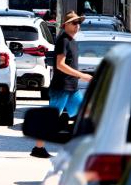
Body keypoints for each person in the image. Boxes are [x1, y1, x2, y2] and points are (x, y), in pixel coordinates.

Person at [32, 12, 92, 158]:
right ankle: (38, 149)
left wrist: (80, 75)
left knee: (86, 114)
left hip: (72, 88)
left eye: (78, 23)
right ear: (65, 25)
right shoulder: (63, 40)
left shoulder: (72, 41)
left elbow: (70, 65)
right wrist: (82, 75)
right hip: (61, 88)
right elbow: (60, 65)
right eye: (74, 23)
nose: (77, 26)